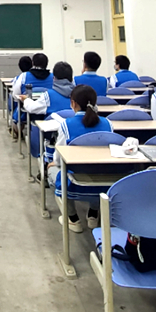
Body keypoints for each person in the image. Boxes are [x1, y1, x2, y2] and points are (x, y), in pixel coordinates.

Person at [48, 85, 114, 233]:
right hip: (104, 183)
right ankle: (93, 214)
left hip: (75, 183)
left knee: (53, 169)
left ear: (73, 103)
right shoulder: (108, 124)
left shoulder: (67, 125)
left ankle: (73, 219)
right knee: (97, 169)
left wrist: (53, 163)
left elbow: (59, 157)